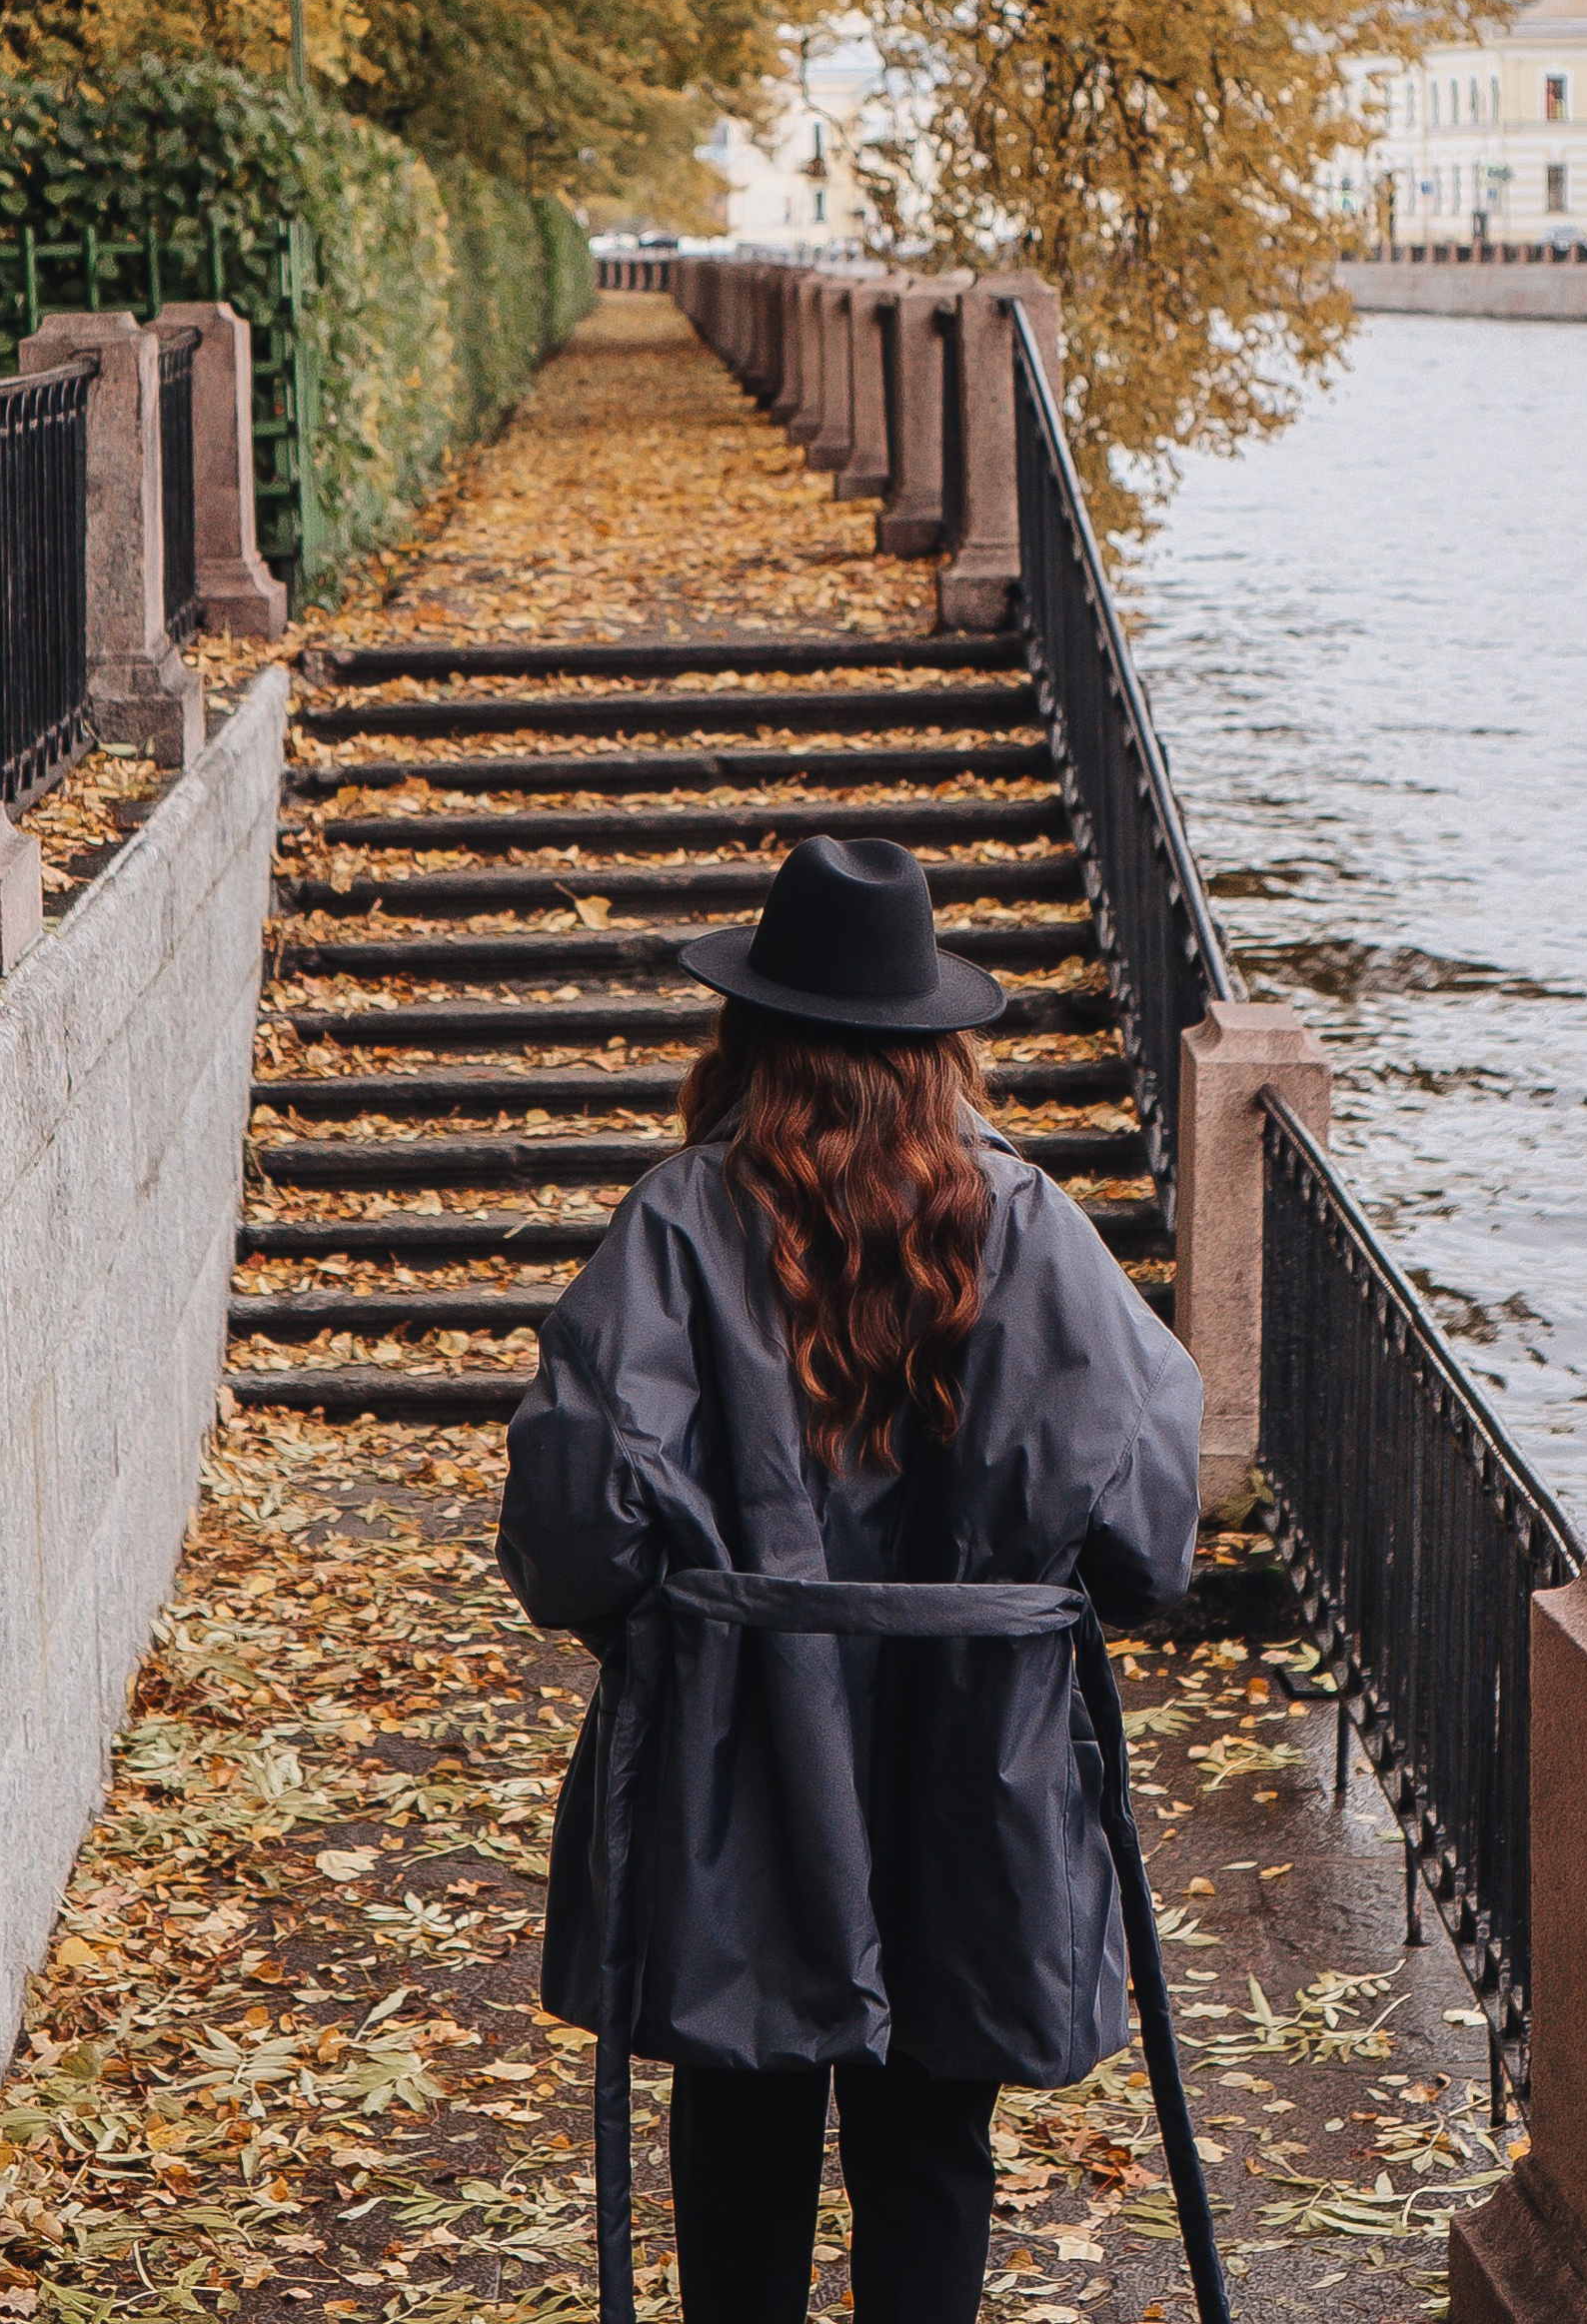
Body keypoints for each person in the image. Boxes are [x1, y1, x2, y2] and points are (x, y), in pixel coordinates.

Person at [496, 831, 1206, 2324]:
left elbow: (574, 1518)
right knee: (932, 2127)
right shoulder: (1027, 1225)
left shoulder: (684, 1220)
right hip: (976, 1747)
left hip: (741, 1742)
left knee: (743, 2106)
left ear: (749, 1030)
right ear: (937, 1049)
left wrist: (671, 1623)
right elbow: (1147, 1529)